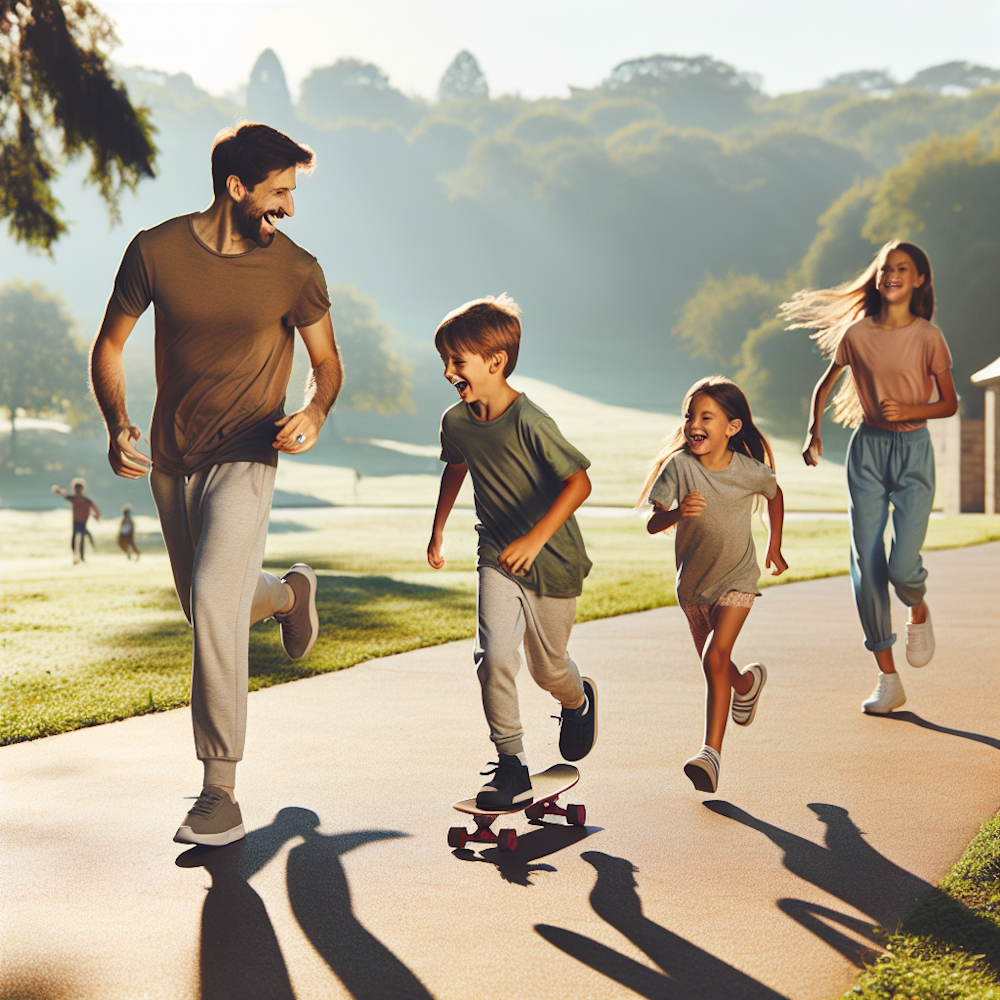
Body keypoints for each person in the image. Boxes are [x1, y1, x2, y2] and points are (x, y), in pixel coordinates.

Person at [90, 122, 343, 846]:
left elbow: (327, 366)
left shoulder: (296, 270)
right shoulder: (155, 251)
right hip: (173, 459)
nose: (290, 208)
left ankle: (219, 792)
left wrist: (315, 411)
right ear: (236, 188)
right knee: (213, 607)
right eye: (280, 192)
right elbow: (111, 344)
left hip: (248, 452)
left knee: (212, 597)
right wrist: (118, 422)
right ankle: (291, 593)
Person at [427, 294, 598, 810]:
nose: (448, 371)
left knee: (547, 669)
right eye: (445, 362)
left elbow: (579, 483)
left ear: (495, 362)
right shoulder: (455, 422)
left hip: (552, 559)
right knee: (494, 656)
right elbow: (456, 465)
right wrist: (437, 530)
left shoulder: (531, 421)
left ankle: (578, 698)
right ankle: (511, 763)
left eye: (458, 361)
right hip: (496, 551)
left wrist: (536, 538)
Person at [786, 240, 956, 714]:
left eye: (902, 268)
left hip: (913, 452)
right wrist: (812, 431)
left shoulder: (928, 336)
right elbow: (827, 381)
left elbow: (950, 403)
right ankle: (888, 677)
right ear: (877, 278)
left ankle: (917, 608)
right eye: (885, 268)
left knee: (902, 568)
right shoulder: (857, 334)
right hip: (868, 450)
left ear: (918, 279)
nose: (892, 275)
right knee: (866, 560)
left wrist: (910, 409)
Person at [639, 376, 787, 793]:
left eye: (706, 416)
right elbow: (654, 523)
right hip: (693, 588)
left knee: (714, 658)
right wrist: (678, 514)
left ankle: (711, 754)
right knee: (719, 664)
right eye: (689, 416)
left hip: (738, 578)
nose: (694, 424)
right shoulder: (679, 467)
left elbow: (774, 494)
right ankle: (746, 684)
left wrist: (774, 545)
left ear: (732, 428)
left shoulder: (748, 471)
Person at [51, 479, 101, 563]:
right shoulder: (80, 499)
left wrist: (96, 516)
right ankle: (78, 556)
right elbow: (65, 494)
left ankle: (80, 556)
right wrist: (59, 491)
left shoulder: (85, 500)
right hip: (77, 522)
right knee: (77, 539)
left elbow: (95, 510)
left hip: (82, 522)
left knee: (79, 539)